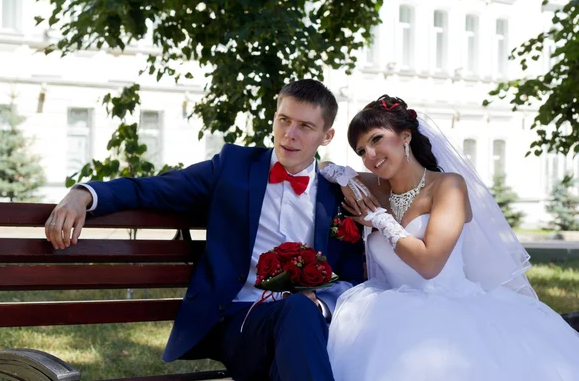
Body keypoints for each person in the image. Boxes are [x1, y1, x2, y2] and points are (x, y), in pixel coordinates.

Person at [44, 79, 364, 381]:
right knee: (300, 320)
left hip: (305, 328)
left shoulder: (336, 197)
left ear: (327, 136)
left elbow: (352, 276)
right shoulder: (233, 168)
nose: (289, 134)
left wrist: (321, 304)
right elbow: (153, 189)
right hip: (240, 322)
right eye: (283, 120)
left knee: (301, 322)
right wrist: (84, 193)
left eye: (305, 126)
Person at [320, 95, 579, 381]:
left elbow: (430, 264)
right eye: (361, 151)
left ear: (405, 136)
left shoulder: (448, 186)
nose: (369, 155)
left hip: (451, 310)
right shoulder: (377, 189)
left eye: (376, 139)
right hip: (388, 310)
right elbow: (325, 166)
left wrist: (380, 220)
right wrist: (343, 178)